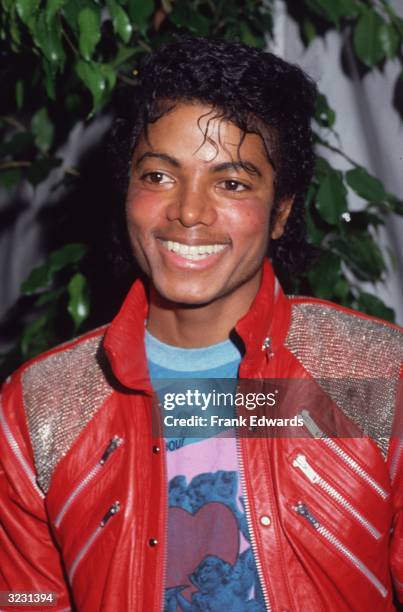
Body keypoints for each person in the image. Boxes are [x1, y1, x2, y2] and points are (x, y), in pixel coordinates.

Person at [0, 37, 402, 612]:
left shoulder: (379, 376)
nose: (189, 211)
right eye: (160, 176)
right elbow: (25, 599)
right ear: (126, 192)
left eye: (231, 182)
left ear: (281, 211)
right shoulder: (38, 408)